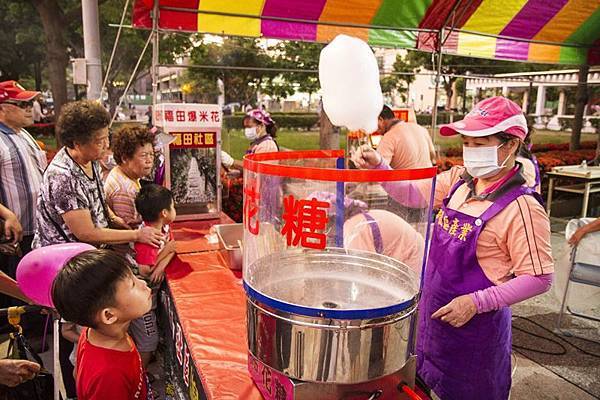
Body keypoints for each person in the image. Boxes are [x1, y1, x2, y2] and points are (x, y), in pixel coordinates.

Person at [354, 96, 553, 400]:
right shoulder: (458, 182)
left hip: (474, 337)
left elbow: (540, 277)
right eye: (467, 143)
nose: (470, 152)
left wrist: (477, 302)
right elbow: (411, 196)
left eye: (480, 143)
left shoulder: (522, 208)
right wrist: (380, 166)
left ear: (511, 145)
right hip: (433, 324)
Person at [33, 100, 162, 249]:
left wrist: (113, 218)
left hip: (95, 247)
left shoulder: (90, 158)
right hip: (66, 256)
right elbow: (86, 233)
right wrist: (137, 235)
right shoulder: (63, 177)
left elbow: (95, 201)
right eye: (100, 141)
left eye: (107, 137)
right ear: (77, 143)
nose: (107, 145)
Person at [51, 249, 152, 400]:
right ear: (109, 315)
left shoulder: (90, 333)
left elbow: (76, 373)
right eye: (133, 284)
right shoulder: (109, 375)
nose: (143, 283)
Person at [131, 184, 177, 368]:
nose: (175, 210)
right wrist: (167, 251)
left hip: (150, 299)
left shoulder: (161, 229)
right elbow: (145, 270)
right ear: (164, 213)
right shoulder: (150, 238)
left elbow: (173, 247)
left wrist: (163, 262)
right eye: (173, 207)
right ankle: (138, 376)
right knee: (148, 341)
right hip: (142, 304)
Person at [104, 125, 155, 231]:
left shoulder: (121, 171)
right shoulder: (125, 190)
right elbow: (129, 232)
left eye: (151, 154)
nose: (149, 160)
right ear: (125, 158)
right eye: (143, 155)